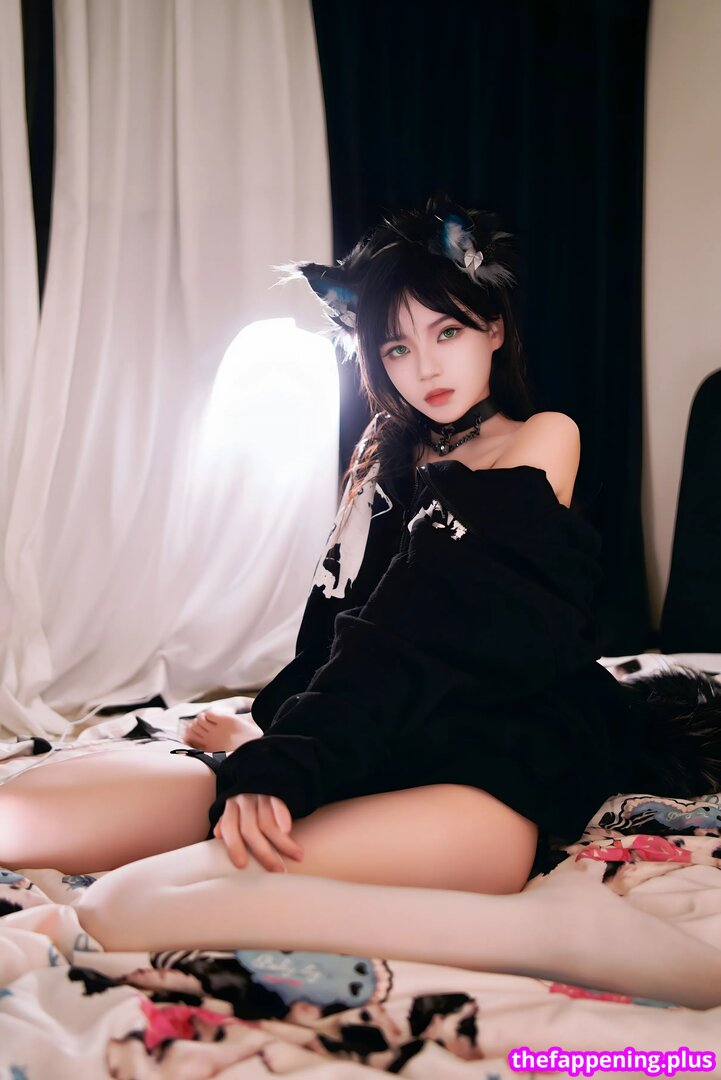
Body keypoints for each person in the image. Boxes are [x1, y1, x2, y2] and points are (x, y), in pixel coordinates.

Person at [2, 197, 720, 973]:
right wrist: (275, 735)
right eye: (396, 347)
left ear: (493, 329)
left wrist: (286, 762)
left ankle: (560, 928)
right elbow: (337, 625)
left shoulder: (541, 437)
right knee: (20, 816)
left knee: (124, 905)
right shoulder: (383, 451)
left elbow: (422, 623)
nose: (425, 368)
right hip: (362, 739)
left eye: (447, 332)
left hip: (481, 766)